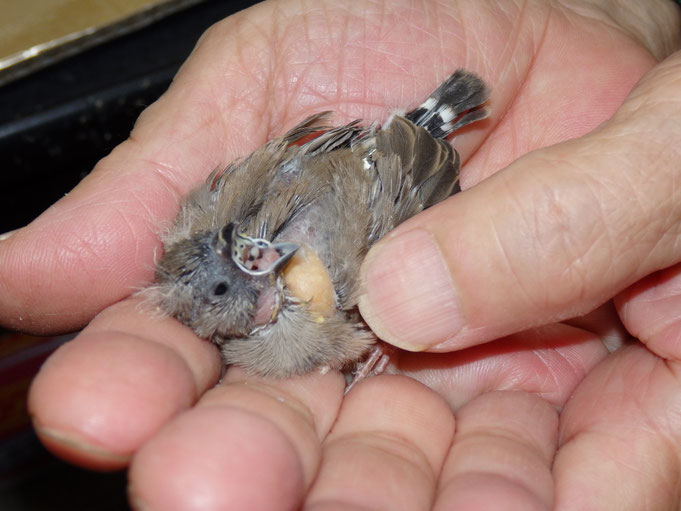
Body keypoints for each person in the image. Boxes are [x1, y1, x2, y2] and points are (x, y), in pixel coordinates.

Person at [2, 0, 681, 508]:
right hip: (383, 174)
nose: (253, 255)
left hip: (387, 173)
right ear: (234, 313)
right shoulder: (275, 330)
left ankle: (436, 117)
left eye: (235, 251)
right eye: (232, 277)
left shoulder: (249, 237)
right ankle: (433, 120)